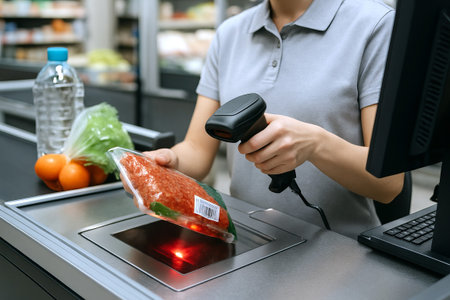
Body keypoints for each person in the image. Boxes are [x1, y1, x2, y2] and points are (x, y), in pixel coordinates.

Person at [134, 0, 404, 239]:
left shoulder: (375, 25)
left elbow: (388, 184)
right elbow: (197, 151)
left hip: (340, 250)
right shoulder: (229, 33)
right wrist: (168, 161)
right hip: (249, 240)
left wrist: (316, 145)